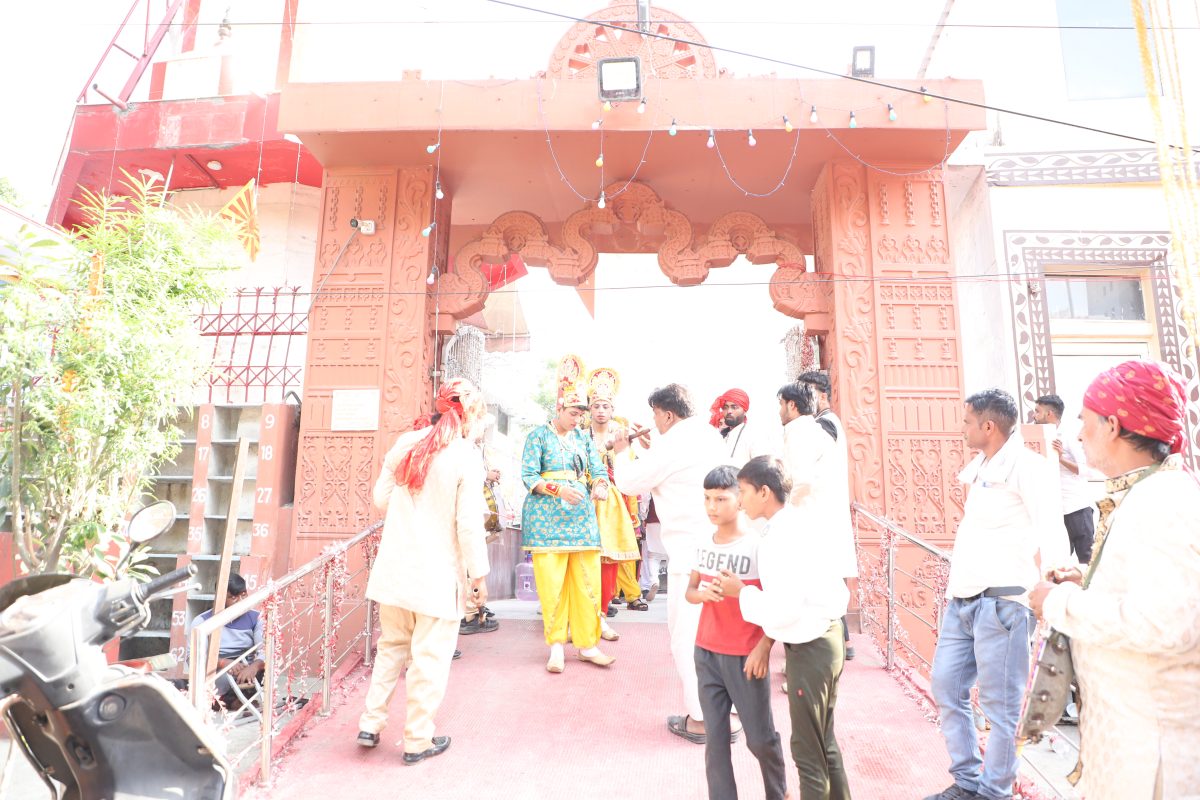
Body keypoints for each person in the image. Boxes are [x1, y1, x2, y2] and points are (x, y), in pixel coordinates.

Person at [1029, 361, 1200, 799]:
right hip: (1128, 744)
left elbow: (1165, 624)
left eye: (1085, 421)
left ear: (1113, 426)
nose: (1080, 433)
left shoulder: (1163, 501)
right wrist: (1088, 580)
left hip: (1153, 760)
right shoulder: (1145, 493)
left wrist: (1058, 603)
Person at [922, 389, 1071, 800]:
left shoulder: (1029, 466)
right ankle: (968, 781)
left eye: (967, 421)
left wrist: (1053, 589)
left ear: (988, 426)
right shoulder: (982, 466)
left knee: (1001, 709)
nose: (962, 428)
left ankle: (994, 792)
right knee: (946, 687)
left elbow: (1051, 528)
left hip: (1003, 603)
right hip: (964, 599)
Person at [357, 378, 491, 765]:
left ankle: (371, 723)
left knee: (391, 648)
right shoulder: (465, 456)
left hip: (395, 571)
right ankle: (417, 739)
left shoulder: (407, 443)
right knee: (429, 659)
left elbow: (381, 499)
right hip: (436, 577)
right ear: (470, 415)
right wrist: (478, 576)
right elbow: (468, 525)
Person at [719, 456, 850, 800]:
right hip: (825, 638)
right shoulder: (794, 524)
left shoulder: (780, 537)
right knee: (823, 744)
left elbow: (785, 608)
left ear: (764, 492)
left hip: (811, 647)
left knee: (808, 753)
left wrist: (741, 592)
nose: (740, 499)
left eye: (743, 491)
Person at [612, 383, 728, 744]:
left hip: (691, 558)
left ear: (667, 414)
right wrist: (653, 449)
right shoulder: (710, 436)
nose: (654, 422)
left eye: (655, 415)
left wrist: (622, 450)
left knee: (688, 639)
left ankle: (702, 720)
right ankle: (728, 712)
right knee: (723, 638)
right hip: (724, 552)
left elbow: (629, 482)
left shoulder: (672, 444)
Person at [686, 465, 788, 800]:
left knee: (759, 739)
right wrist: (703, 595)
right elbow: (690, 592)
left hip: (746, 655)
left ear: (739, 499)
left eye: (721, 499)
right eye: (707, 499)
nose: (711, 507)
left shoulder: (758, 546)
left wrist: (765, 646)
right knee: (715, 742)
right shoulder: (702, 542)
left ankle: (779, 793)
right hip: (706, 653)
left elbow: (776, 602)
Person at [519, 363, 615, 674]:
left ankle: (587, 645)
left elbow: (598, 469)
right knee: (553, 586)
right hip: (546, 521)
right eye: (573, 413)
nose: (577, 420)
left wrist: (600, 485)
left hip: (581, 519)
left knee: (588, 583)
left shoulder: (583, 439)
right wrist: (557, 490)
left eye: (581, 415)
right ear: (559, 408)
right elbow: (528, 475)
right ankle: (557, 646)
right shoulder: (537, 436)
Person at [796, 372, 859, 660]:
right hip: (825, 515)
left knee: (824, 582)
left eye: (807, 393)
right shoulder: (827, 423)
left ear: (822, 395)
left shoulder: (824, 426)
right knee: (828, 580)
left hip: (822, 516)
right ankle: (843, 643)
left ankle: (835, 644)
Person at [587, 366, 646, 639]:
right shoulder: (580, 434)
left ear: (613, 410)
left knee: (610, 559)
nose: (601, 410)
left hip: (612, 502)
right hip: (585, 501)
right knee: (584, 558)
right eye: (596, 405)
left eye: (605, 406)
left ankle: (601, 614)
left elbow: (629, 471)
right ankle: (583, 616)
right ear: (589, 408)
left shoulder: (621, 436)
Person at [1032, 394, 1099, 563]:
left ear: (1049, 414)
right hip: (1053, 510)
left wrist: (1060, 458)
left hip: (1076, 508)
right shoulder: (1035, 438)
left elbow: (1089, 470)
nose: (1034, 415)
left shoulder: (1070, 436)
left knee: (1086, 559)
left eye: (1037, 411)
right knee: (1056, 560)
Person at [188, 573, 264, 707]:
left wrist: (254, 667)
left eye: (244, 595)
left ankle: (234, 700)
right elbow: (193, 659)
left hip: (245, 671)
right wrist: (223, 663)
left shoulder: (257, 618)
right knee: (213, 678)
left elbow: (264, 650)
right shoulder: (202, 622)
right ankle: (224, 701)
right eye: (233, 597)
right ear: (220, 598)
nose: (240, 601)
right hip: (218, 672)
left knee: (264, 667)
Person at [710, 388, 774, 466]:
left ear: (745, 411)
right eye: (725, 407)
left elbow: (764, 469)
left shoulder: (755, 434)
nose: (729, 411)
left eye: (734, 407)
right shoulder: (722, 436)